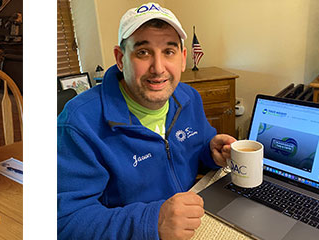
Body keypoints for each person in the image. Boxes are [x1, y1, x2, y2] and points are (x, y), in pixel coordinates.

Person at [57, 2, 237, 239]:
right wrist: (154, 221)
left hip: (194, 222)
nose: (158, 68)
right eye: (143, 52)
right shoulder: (79, 122)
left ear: (183, 58)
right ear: (120, 59)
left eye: (169, 52)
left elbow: (190, 150)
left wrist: (210, 151)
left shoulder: (188, 97)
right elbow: (64, 222)